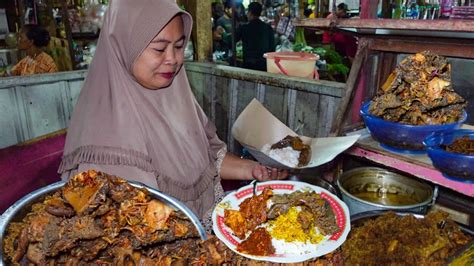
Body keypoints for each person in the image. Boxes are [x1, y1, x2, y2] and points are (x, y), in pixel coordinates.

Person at [59, 0, 287, 227]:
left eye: (179, 47)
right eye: (159, 48)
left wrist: (253, 169)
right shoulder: (105, 134)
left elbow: (205, 161)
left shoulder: (175, 95)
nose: (173, 60)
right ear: (124, 45)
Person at [236, 2, 275, 71]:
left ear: (250, 13)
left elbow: (231, 40)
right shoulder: (268, 28)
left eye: (247, 12)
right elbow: (272, 48)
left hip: (249, 66)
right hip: (264, 65)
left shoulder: (245, 28)